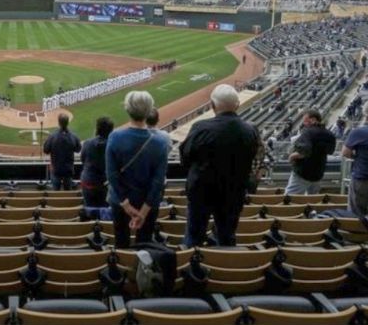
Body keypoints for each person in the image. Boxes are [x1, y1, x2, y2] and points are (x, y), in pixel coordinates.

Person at [180, 84, 259, 247]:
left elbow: (185, 159)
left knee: (194, 236)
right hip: (233, 192)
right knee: (227, 236)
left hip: (201, 191)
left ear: (213, 105)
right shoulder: (250, 130)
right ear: (237, 105)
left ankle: (191, 267)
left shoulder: (200, 128)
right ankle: (225, 268)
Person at [105, 91, 168, 248]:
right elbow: (158, 181)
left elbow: (112, 175)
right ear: (149, 111)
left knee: (121, 241)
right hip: (148, 202)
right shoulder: (160, 141)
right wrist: (144, 211)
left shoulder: (115, 137)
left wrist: (126, 205)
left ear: (127, 109)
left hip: (120, 202)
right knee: (145, 245)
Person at [285, 110, 337, 195]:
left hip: (303, 172)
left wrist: (291, 156)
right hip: (318, 173)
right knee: (313, 200)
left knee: (290, 199)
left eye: (305, 120)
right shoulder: (330, 134)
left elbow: (304, 151)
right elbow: (330, 151)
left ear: (313, 120)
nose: (303, 123)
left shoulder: (308, 131)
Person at [79, 117, 114, 207]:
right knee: (104, 210)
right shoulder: (112, 144)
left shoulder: (87, 143)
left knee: (89, 209)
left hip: (88, 182)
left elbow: (82, 159)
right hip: (104, 183)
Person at [43, 113, 81, 191]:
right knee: (68, 192)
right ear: (67, 122)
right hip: (68, 170)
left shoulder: (52, 136)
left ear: (59, 123)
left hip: (56, 169)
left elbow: (46, 150)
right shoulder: (73, 136)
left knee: (55, 193)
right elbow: (78, 149)